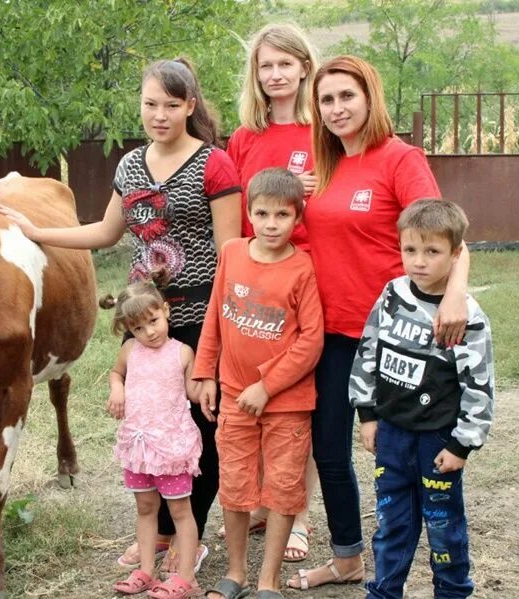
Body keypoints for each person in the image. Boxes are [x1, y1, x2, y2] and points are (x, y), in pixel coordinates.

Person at [0, 57, 241, 573]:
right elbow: (106, 232)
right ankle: (162, 534)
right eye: (150, 104)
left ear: (190, 106)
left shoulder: (214, 164)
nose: (159, 115)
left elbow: (230, 254)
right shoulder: (130, 166)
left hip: (198, 317)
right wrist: (38, 232)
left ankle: (187, 537)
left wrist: (219, 332)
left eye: (171, 105)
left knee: (196, 428)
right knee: (151, 425)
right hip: (142, 320)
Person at [287, 56, 471, 591]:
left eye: (347, 96)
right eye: (326, 100)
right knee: (328, 449)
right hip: (332, 333)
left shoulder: (399, 159)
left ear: (370, 97)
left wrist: (454, 295)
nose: (337, 108)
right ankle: (348, 558)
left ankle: (442, 575)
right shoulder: (321, 167)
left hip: (397, 337)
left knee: (408, 460)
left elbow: (449, 238)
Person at [350, 199, 494, 599]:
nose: (419, 261)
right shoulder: (393, 294)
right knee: (391, 523)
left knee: (444, 526)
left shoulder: (466, 316)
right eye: (410, 249)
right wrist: (367, 414)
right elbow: (368, 351)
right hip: (392, 435)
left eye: (432, 251)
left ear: (455, 254)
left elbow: (479, 385)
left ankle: (452, 591)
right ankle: (384, 591)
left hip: (438, 442)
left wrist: (462, 444)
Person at [194, 168, 323, 599]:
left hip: (287, 403)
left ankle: (268, 581)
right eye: (263, 214)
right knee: (234, 484)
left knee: (283, 488)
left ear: (298, 217)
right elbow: (215, 315)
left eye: (283, 215)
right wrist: (204, 372)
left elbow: (311, 341)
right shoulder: (232, 253)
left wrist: (267, 387)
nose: (271, 224)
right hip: (233, 395)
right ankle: (236, 574)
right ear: (248, 213)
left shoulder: (302, 267)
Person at [222, 22, 321, 563]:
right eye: (266, 65)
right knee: (253, 397)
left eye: (286, 63)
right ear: (255, 75)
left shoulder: (323, 128)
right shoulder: (244, 138)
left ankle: (298, 515)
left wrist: (315, 188)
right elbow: (238, 216)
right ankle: (261, 505)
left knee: (295, 404)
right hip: (255, 287)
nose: (276, 74)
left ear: (305, 67)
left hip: (307, 276)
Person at [103, 274, 203, 598]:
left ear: (165, 310)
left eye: (153, 321)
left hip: (170, 446)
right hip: (138, 444)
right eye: (138, 328)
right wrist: (117, 389)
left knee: (180, 511)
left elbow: (193, 391)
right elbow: (116, 373)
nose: (149, 332)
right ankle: (146, 570)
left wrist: (208, 386)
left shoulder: (182, 353)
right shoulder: (130, 350)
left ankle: (185, 576)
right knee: (145, 507)